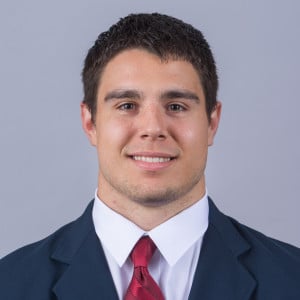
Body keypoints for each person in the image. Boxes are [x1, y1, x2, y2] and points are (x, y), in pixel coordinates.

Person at [0, 12, 299, 300]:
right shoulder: (9, 284)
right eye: (127, 105)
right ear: (90, 122)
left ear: (212, 122)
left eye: (177, 106)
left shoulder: (291, 278)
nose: (153, 129)